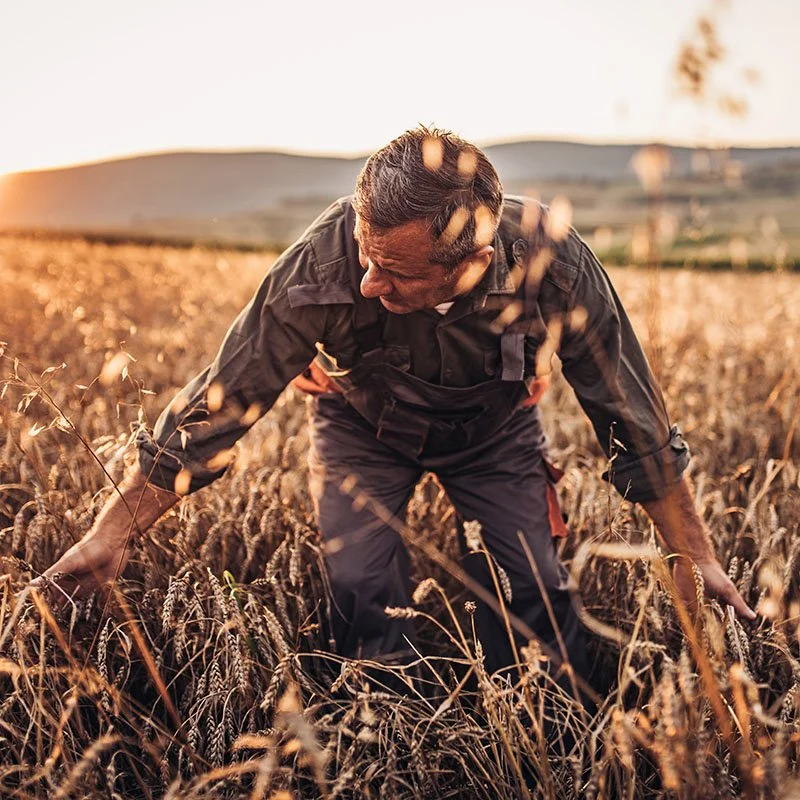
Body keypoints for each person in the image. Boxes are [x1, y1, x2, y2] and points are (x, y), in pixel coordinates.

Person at [36, 126, 755, 682]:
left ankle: (540, 724)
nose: (370, 281)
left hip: (495, 436)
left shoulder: (552, 262)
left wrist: (695, 557)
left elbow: (632, 418)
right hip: (361, 431)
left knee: (532, 590)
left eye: (395, 271)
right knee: (360, 587)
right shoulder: (322, 262)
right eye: (365, 253)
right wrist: (114, 532)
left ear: (471, 262)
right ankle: (385, 725)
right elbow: (220, 401)